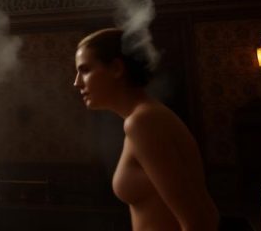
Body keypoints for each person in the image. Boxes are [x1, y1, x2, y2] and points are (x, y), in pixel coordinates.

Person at [74, 28, 219, 231]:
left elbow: (201, 220)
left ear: (116, 68)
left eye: (85, 70)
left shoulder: (144, 121)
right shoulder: (142, 119)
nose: (77, 82)